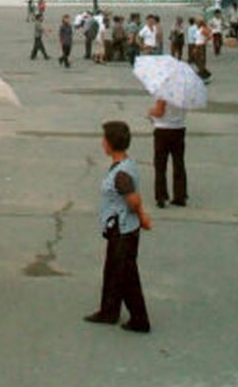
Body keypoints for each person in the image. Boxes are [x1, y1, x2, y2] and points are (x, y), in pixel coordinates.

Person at [83, 120, 152, 333]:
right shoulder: (126, 165)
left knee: (125, 274)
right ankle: (109, 310)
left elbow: (133, 199)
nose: (102, 143)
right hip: (121, 228)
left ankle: (139, 319)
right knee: (113, 270)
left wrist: (142, 215)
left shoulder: (121, 174)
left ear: (111, 143)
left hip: (123, 230)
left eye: (104, 139)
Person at [147, 95, 187, 209]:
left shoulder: (164, 94)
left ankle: (161, 196)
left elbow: (159, 111)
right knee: (178, 163)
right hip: (179, 128)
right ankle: (180, 195)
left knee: (160, 165)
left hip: (163, 129)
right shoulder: (183, 95)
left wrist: (150, 112)